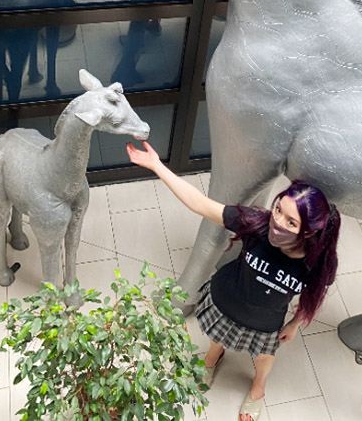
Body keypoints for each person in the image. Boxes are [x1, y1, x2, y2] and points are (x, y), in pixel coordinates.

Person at [126, 141, 341, 421]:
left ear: (310, 232)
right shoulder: (256, 222)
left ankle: (258, 388)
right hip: (225, 299)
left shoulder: (319, 261)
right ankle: (212, 359)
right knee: (217, 337)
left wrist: (295, 324)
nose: (278, 222)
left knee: (263, 358)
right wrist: (157, 166)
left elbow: (314, 296)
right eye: (279, 210)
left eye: (291, 223)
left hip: (266, 323)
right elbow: (200, 204)